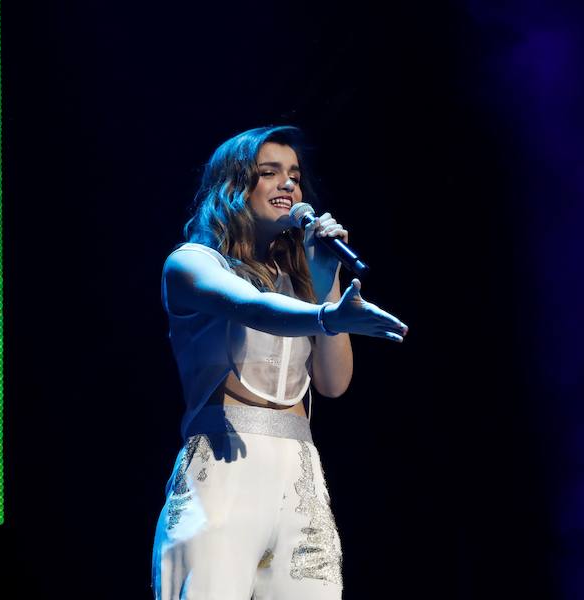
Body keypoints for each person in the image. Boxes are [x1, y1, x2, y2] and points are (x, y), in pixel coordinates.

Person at [151, 125, 408, 599]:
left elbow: (333, 383)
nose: (288, 183)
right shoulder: (192, 264)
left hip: (299, 474)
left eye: (294, 175)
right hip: (223, 471)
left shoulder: (299, 281)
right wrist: (326, 316)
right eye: (269, 172)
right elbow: (253, 308)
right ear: (234, 186)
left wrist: (326, 280)